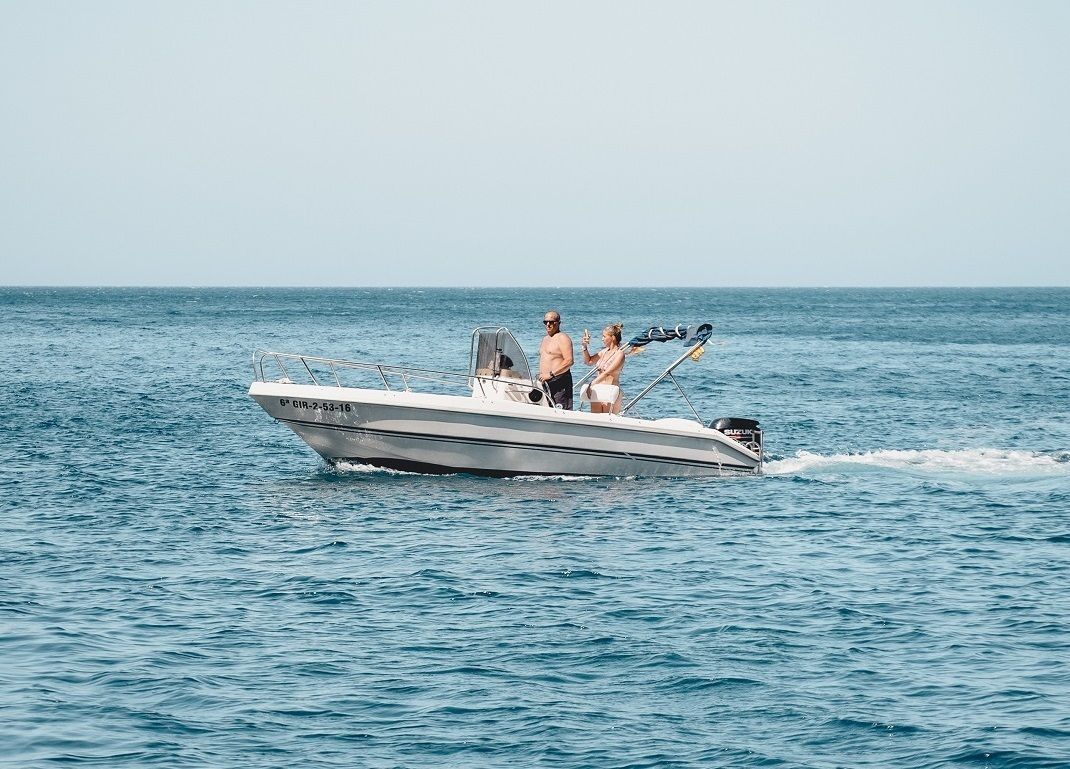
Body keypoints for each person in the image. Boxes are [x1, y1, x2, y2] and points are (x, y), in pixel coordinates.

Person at [581, 323, 626, 414]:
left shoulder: (619, 354)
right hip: (598, 390)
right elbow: (588, 361)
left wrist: (592, 384)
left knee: (608, 420)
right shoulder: (604, 352)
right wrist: (584, 346)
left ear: (612, 337)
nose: (602, 339)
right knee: (595, 421)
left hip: (610, 391)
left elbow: (608, 372)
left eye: (604, 336)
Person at [537, 310, 575, 409]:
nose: (548, 324)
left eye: (551, 322)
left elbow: (569, 361)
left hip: (559, 382)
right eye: (545, 322)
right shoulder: (545, 339)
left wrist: (550, 374)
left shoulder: (563, 338)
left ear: (558, 323)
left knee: (561, 413)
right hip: (545, 383)